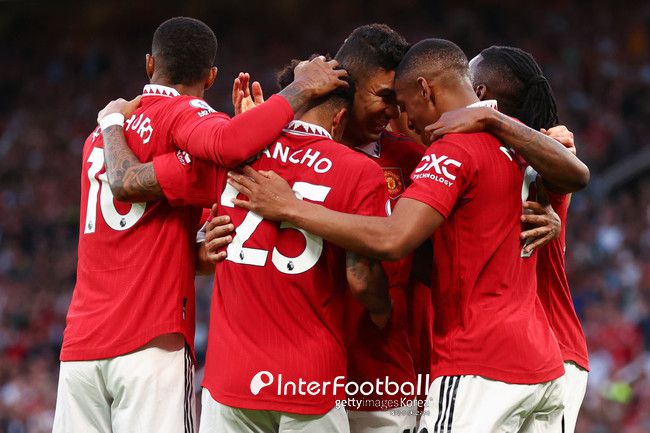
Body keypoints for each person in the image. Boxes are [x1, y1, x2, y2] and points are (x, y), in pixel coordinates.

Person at [224, 39, 590, 433]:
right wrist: (266, 135)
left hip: (445, 364)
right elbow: (572, 177)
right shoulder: (512, 144)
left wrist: (291, 206)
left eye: (400, 102)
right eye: (387, 99)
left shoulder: (440, 151)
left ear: (424, 90)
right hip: (524, 363)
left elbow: (395, 238)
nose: (401, 117)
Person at [53, 16, 348, 433]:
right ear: (211, 77)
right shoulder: (184, 114)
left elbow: (136, 235)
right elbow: (229, 145)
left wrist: (197, 249)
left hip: (81, 350)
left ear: (150, 64)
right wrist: (298, 91)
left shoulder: (100, 135)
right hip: (150, 343)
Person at [425, 45, 589, 433]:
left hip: (532, 348)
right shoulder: (524, 152)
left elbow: (574, 173)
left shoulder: (544, 153)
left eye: (466, 78)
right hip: (543, 352)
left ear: (480, 94)